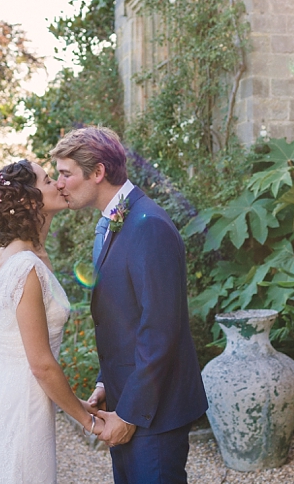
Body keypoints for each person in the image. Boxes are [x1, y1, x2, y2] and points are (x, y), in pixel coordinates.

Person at [51, 126, 208, 484]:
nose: (59, 184)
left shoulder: (148, 224)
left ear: (98, 172)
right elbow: (125, 318)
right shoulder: (109, 223)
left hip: (154, 412)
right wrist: (107, 383)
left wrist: (131, 415)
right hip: (123, 400)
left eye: (65, 174)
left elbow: (160, 329)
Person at [0, 159, 105, 484]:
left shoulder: (7, 256)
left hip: (8, 399)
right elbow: (41, 364)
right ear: (30, 200)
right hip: (23, 410)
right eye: (47, 180)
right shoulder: (25, 267)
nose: (59, 183)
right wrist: (90, 423)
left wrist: (76, 402)